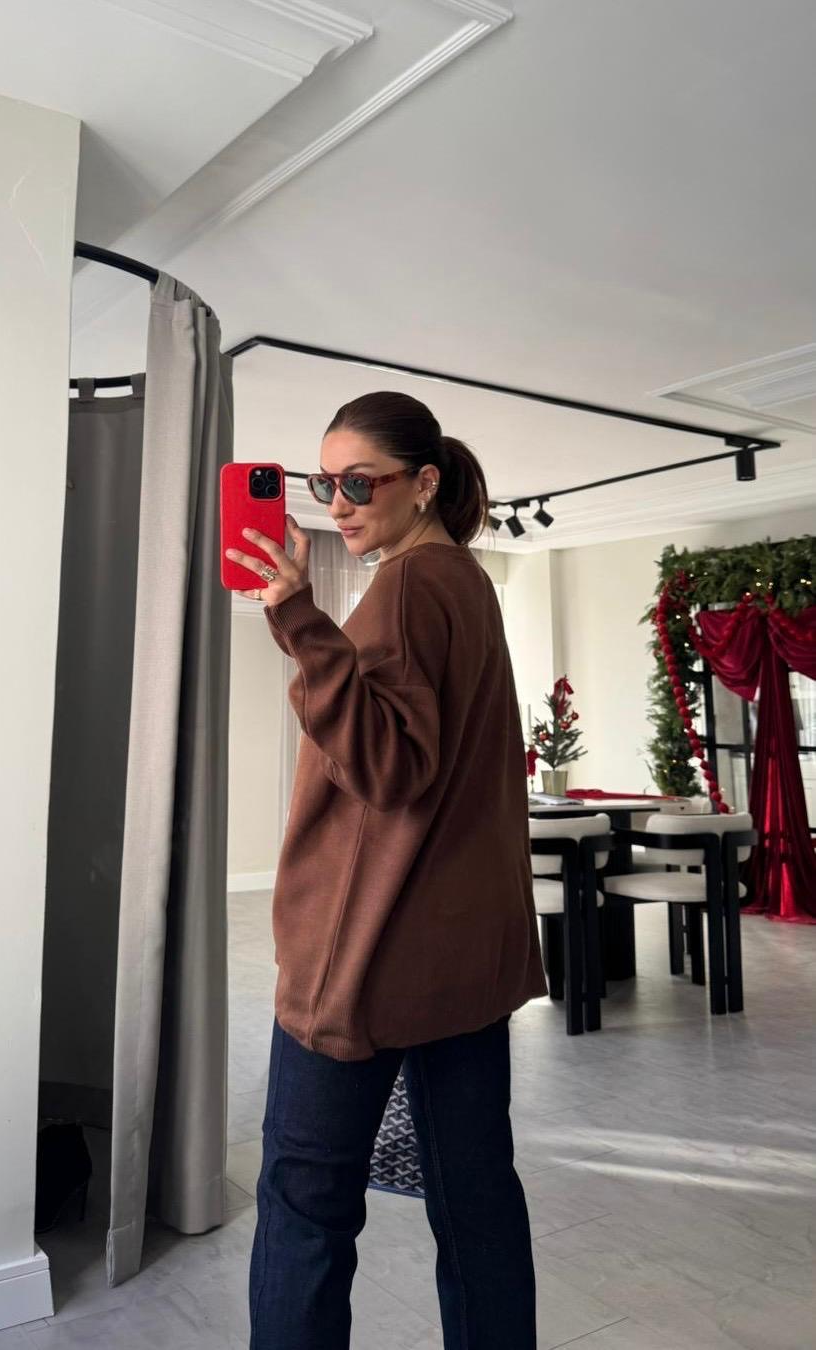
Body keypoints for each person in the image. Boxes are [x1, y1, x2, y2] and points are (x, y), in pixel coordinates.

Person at [225, 390, 548, 1349]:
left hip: (365, 953)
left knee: (305, 1205)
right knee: (476, 1199)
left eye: (360, 483)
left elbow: (392, 767)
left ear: (425, 483)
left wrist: (298, 617)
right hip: (459, 960)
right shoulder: (466, 581)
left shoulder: (408, 587)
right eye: (327, 483)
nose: (338, 504)